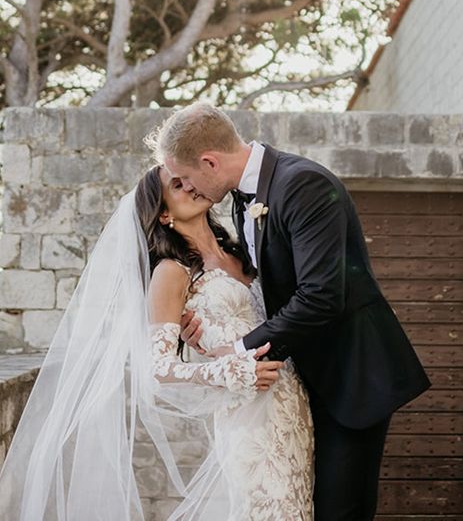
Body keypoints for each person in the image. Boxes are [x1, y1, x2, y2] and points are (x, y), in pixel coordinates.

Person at [151, 102, 431, 521]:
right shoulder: (243, 202)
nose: (190, 189)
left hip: (348, 376)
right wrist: (207, 331)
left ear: (209, 161)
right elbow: (268, 295)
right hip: (294, 386)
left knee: (340, 512)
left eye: (187, 178)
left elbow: (321, 295)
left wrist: (238, 348)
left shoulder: (303, 184)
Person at [0, 163, 314, 521]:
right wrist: (230, 369)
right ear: (163, 215)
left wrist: (212, 344)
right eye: (177, 185)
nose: (190, 186)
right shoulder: (172, 272)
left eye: (188, 178)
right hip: (249, 416)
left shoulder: (240, 254)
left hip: (293, 400)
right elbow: (156, 368)